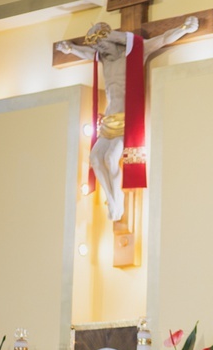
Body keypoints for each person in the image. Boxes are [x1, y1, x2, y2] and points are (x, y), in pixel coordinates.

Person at [56, 17, 198, 220]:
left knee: (110, 158)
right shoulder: (104, 59)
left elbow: (164, 39)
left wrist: (184, 27)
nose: (101, 50)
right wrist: (69, 48)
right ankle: (112, 198)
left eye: (103, 44)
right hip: (109, 121)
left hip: (128, 121)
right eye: (98, 47)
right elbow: (85, 52)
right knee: (95, 159)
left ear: (114, 40)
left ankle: (117, 201)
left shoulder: (135, 54)